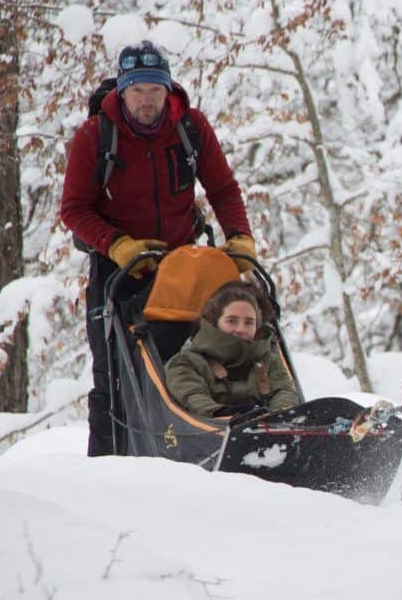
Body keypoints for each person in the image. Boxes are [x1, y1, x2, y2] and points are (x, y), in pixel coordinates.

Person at [59, 40, 257, 455]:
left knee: (209, 351)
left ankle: (226, 428)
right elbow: (74, 209)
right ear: (122, 91)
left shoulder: (191, 128)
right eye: (137, 91)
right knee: (111, 373)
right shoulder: (96, 136)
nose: (146, 100)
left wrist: (239, 237)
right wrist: (119, 246)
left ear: (168, 91)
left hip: (184, 264)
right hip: (118, 269)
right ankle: (108, 465)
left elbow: (223, 188)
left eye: (154, 90)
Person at [165, 282, 298, 420]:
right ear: (214, 322)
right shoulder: (186, 362)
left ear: (257, 327)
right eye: (232, 321)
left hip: (265, 431)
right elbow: (192, 396)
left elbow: (283, 392)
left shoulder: (269, 361)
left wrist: (279, 416)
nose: (240, 329)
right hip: (208, 433)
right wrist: (224, 415)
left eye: (249, 322)